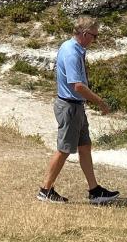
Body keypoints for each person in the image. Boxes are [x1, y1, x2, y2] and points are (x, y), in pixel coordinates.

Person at [38, 16, 119, 205]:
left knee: (84, 147)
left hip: (75, 106)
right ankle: (45, 190)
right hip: (70, 107)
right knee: (64, 150)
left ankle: (94, 190)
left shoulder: (70, 46)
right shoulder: (72, 53)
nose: (94, 40)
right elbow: (77, 86)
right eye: (94, 36)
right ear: (84, 34)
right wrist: (100, 102)